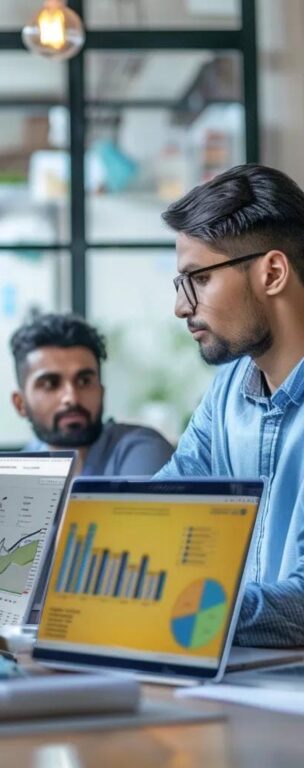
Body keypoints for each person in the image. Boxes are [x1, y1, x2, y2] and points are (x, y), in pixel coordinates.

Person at [156, 163, 304, 647]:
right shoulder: (227, 391)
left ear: (273, 272)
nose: (182, 306)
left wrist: (179, 609)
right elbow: (160, 511)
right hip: (242, 679)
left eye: (197, 278)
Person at [9, 313, 174, 476]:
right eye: (50, 384)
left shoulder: (141, 451)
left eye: (84, 381)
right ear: (20, 403)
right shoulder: (29, 460)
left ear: (101, 391)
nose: (71, 398)